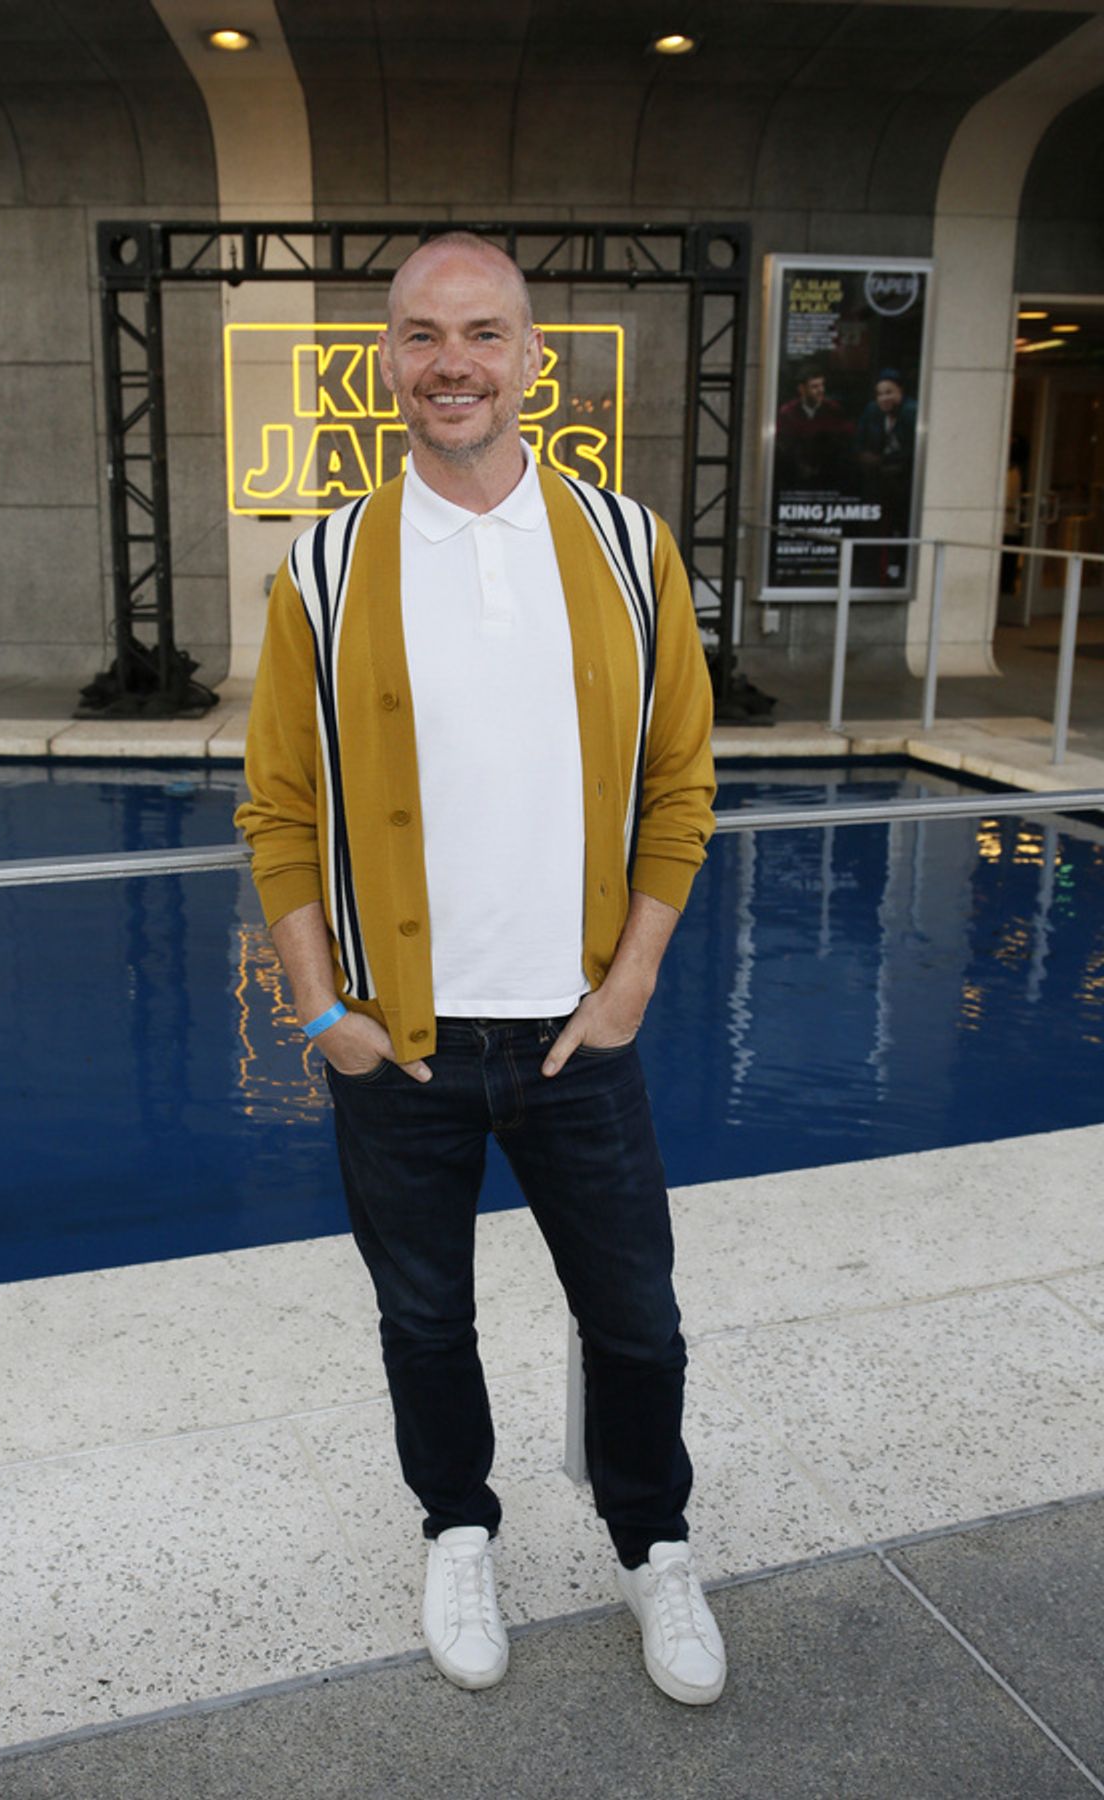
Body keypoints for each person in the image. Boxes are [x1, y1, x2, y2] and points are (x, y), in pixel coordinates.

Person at [235, 232, 723, 1706]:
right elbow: (280, 813)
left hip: (585, 1031)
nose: (454, 360)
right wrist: (323, 1009)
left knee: (637, 1315)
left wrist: (630, 979)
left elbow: (681, 785)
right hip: (407, 1045)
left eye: (484, 332)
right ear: (389, 359)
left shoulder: (629, 546)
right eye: (423, 334)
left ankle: (655, 1544)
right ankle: (458, 1526)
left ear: (531, 359)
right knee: (424, 1317)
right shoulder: (323, 567)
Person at [775, 364, 853, 491]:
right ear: (802, 389)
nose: (821, 390)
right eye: (814, 386)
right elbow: (783, 445)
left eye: (822, 385)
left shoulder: (834, 410)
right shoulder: (787, 412)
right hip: (795, 476)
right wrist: (800, 465)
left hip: (829, 475)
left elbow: (844, 442)